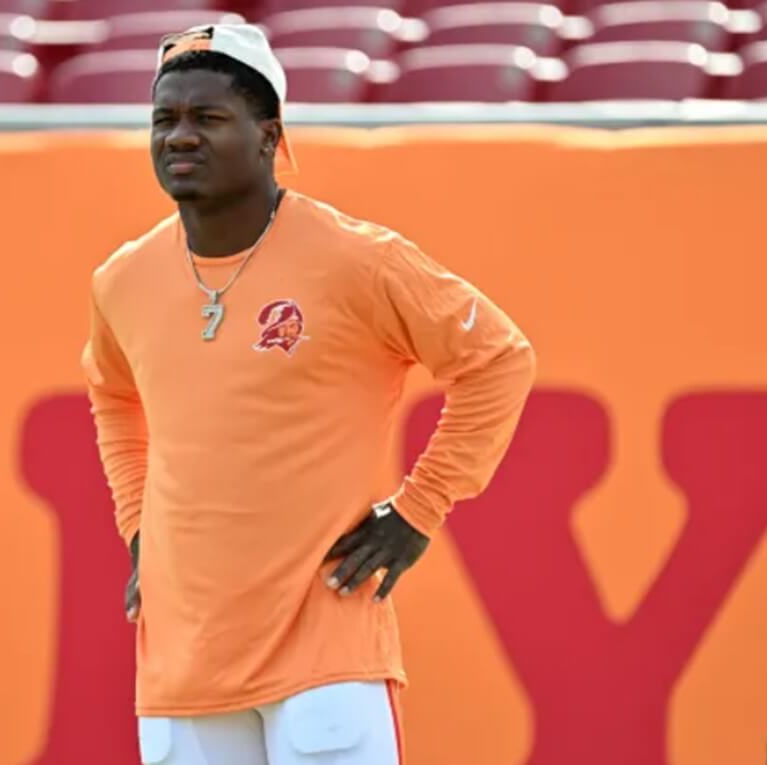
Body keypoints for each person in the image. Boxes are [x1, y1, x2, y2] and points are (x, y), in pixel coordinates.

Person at [80, 23, 537, 765]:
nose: (180, 137)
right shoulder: (122, 281)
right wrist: (139, 527)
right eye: (165, 119)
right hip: (180, 663)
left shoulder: (356, 260)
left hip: (324, 655)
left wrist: (419, 509)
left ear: (269, 138)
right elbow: (112, 397)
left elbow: (499, 361)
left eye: (208, 117)